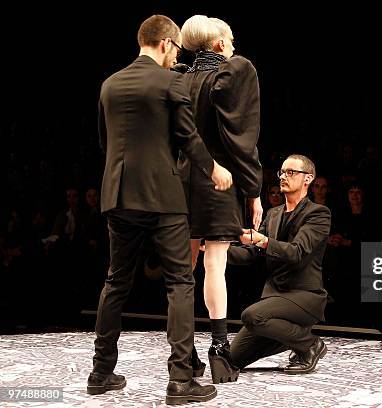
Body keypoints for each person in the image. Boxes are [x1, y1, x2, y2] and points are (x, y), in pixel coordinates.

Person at [90, 15, 232, 405]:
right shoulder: (171, 81)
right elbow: (188, 137)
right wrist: (214, 169)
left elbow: (106, 143)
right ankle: (180, 381)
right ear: (168, 44)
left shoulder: (109, 84)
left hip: (118, 195)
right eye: (176, 51)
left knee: (116, 281)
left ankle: (100, 372)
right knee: (179, 284)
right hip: (163, 198)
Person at [179, 15, 263, 384]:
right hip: (218, 181)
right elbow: (239, 139)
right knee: (215, 265)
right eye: (229, 41)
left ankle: (184, 353)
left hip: (179, 182)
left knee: (184, 272)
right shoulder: (229, 75)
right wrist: (254, 190)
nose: (233, 48)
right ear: (217, 45)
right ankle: (218, 349)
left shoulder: (178, 79)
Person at [227, 154, 331, 374]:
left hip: (304, 296)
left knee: (252, 315)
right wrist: (218, 252)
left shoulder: (318, 214)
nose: (283, 176)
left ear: (308, 179)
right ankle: (295, 338)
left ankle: (310, 344)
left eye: (291, 172)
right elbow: (252, 254)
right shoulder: (273, 214)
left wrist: (262, 240)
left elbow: (296, 252)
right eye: (282, 172)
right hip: (275, 297)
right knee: (231, 360)